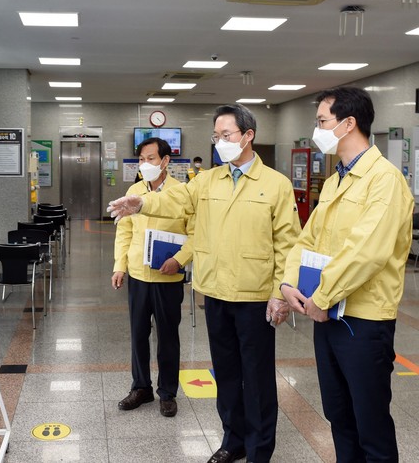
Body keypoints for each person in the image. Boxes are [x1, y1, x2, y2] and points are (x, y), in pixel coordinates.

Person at [108, 104, 301, 463]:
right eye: (216, 136)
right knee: (225, 374)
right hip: (214, 292)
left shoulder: (276, 184)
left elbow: (289, 246)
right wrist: (142, 202)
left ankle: (259, 450)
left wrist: (281, 293)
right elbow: (175, 198)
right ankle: (233, 440)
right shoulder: (207, 181)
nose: (220, 142)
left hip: (255, 295)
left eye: (226, 135)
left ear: (248, 136)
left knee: (256, 378)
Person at [279, 86, 414, 462]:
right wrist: (288, 282)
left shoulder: (384, 180)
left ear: (349, 123)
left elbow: (365, 252)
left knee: (369, 422)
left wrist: (320, 298)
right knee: (339, 415)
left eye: (322, 121)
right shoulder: (337, 179)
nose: (317, 129)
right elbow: (308, 239)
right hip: (328, 316)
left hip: (362, 320)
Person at [112, 137, 193, 418]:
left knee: (168, 336)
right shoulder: (133, 191)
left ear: (166, 161)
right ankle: (141, 387)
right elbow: (124, 232)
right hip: (137, 274)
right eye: (141, 159)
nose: (144, 164)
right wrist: (119, 266)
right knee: (138, 334)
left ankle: (167, 392)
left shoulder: (182, 193)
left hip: (167, 277)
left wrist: (179, 260)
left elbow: (195, 234)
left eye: (150, 159)